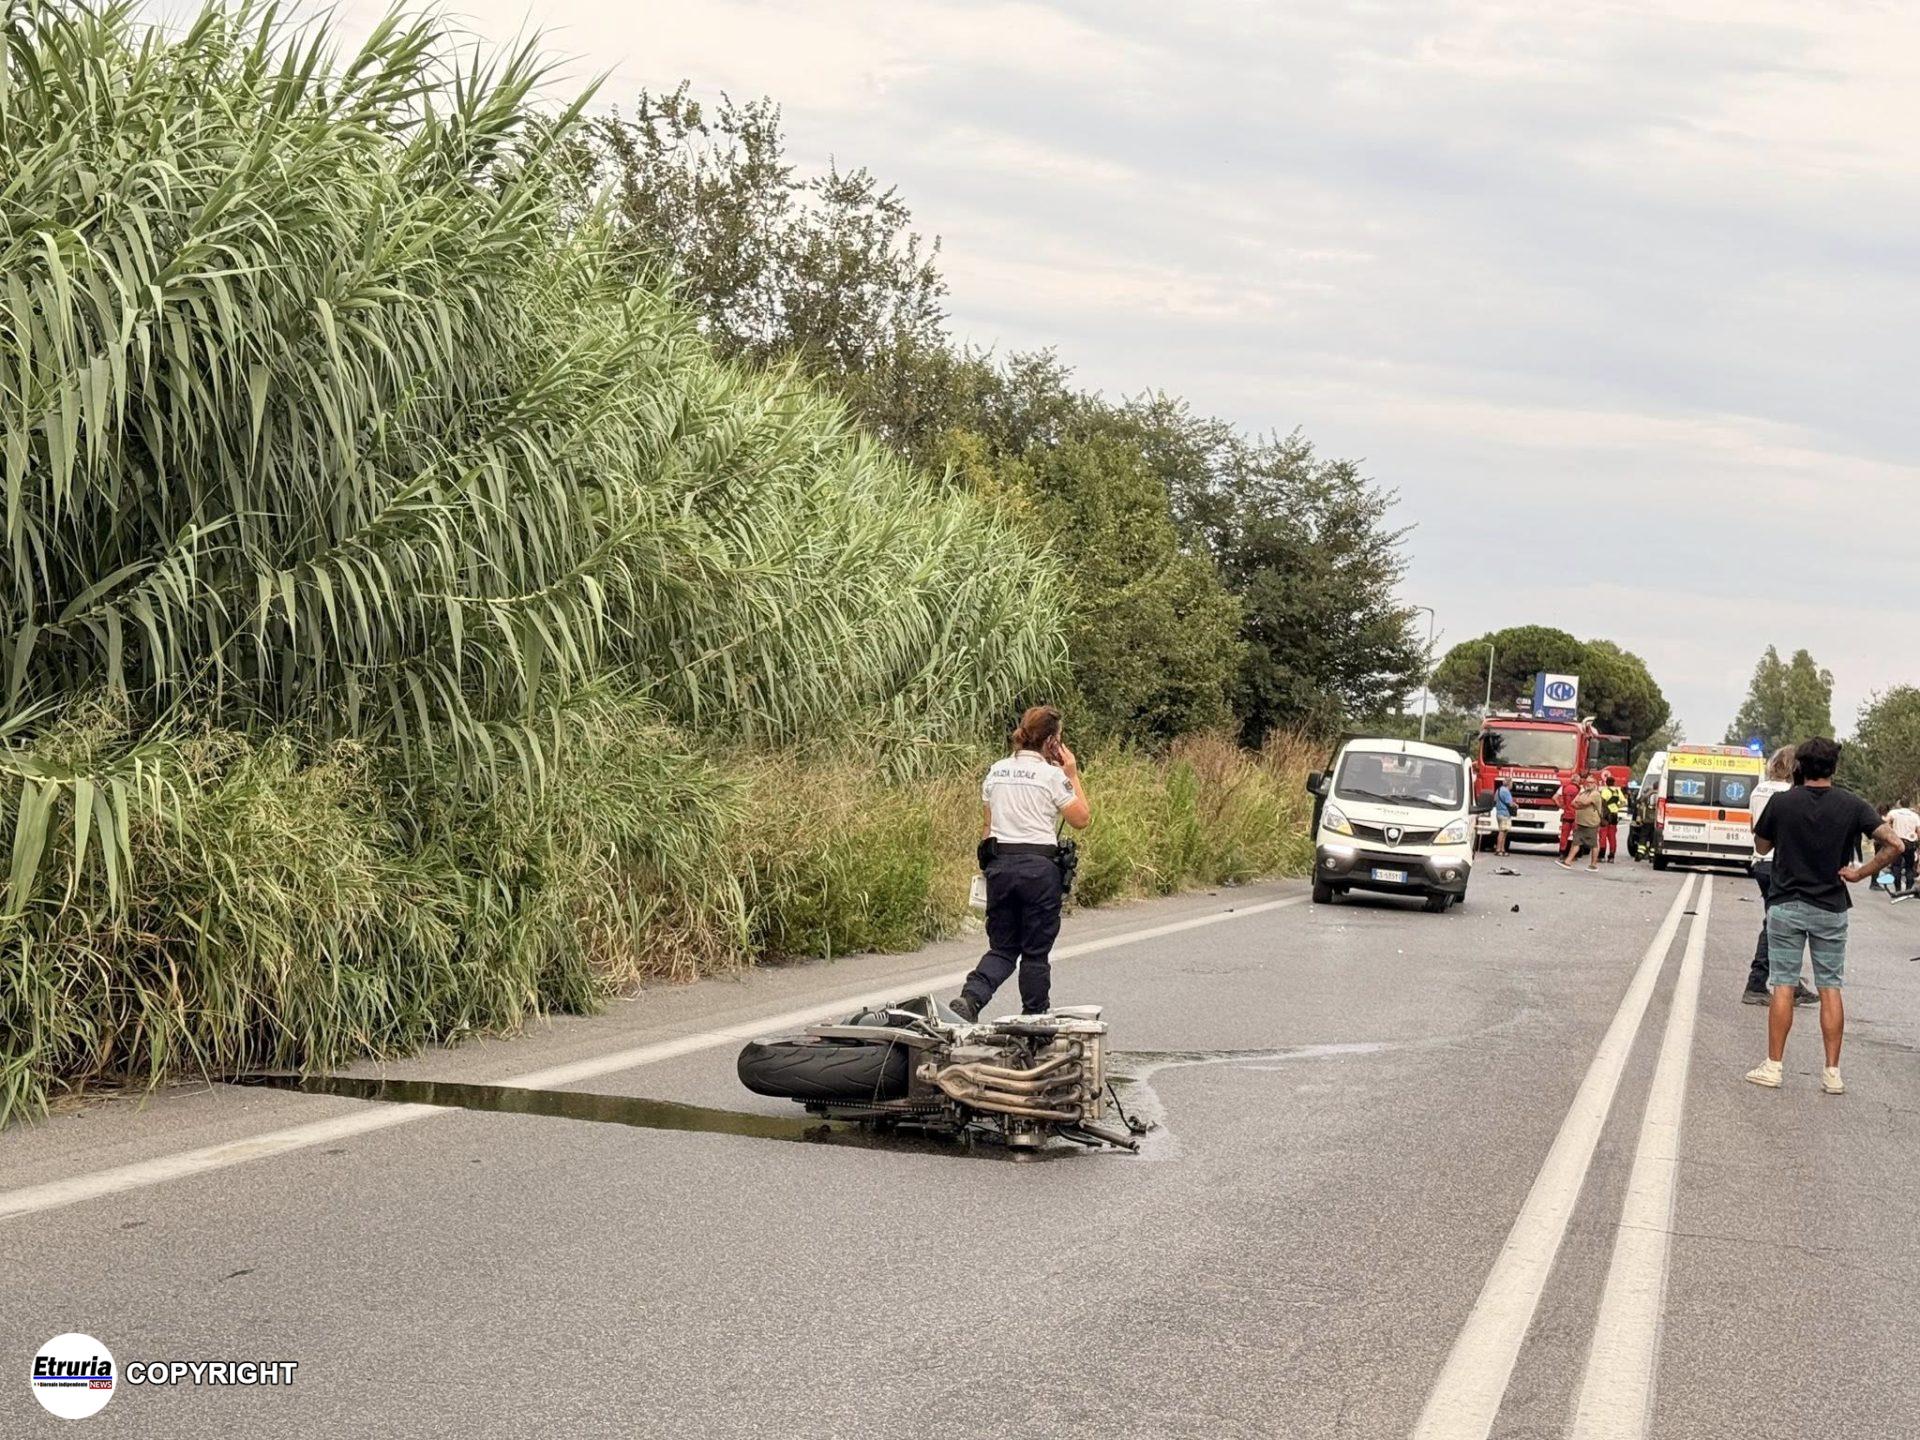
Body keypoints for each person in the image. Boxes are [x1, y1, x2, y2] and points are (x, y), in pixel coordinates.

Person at [1744, 737, 1903, 1095]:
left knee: (1783, 983)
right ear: (1834, 768)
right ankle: (1832, 1073)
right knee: (1830, 987)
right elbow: (1896, 844)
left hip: (1786, 903)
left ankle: (1774, 1066)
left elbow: (1761, 846)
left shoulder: (1782, 802)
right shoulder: (1852, 804)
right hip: (1831, 906)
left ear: (1799, 766)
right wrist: (1861, 873)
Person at [951, 705, 1092, 1021]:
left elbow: (988, 829)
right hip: (1039, 873)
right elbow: (1081, 818)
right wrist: (1071, 773)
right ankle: (1034, 1016)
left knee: (1002, 947)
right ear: (1053, 743)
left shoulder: (996, 771)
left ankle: (971, 999)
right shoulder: (1052, 775)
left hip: (1000, 866)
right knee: (1034, 952)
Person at [1741, 747, 1814, 1008]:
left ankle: (1790, 984)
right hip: (1780, 864)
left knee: (1779, 923)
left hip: (1760, 862)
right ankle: (1757, 983)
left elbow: (1754, 828)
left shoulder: (1758, 790)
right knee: (1778, 926)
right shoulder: (1788, 794)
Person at [1559, 772, 1606, 871]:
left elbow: (1584, 802)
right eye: (1587, 782)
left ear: (1595, 783)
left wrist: (1580, 803)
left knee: (1593, 844)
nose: (1589, 784)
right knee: (1575, 842)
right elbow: (1573, 803)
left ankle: (1593, 865)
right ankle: (1567, 862)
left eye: (1591, 782)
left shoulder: (1595, 794)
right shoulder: (1583, 792)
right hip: (1580, 822)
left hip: (1591, 823)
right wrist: (1581, 804)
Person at [1887, 796, 1919, 899]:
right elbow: (1918, 831)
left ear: (1899, 803)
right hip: (1910, 843)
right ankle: (1909, 890)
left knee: (1896, 866)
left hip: (1897, 842)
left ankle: (1898, 890)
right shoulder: (1915, 816)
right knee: (1909, 867)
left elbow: (1886, 824)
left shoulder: (1894, 813)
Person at [1597, 775, 1626, 862]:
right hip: (1614, 815)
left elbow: (1601, 803)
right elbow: (1624, 801)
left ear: (1606, 783)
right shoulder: (1618, 791)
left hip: (1605, 816)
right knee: (1612, 836)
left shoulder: (1604, 791)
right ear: (1614, 783)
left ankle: (1601, 856)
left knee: (1603, 835)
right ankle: (1611, 856)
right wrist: (1617, 806)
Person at [1556, 774, 1580, 858]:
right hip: (1576, 815)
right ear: (1577, 780)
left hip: (1566, 814)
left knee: (1564, 835)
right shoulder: (1579, 789)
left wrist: (1562, 806)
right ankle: (1574, 854)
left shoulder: (1564, 787)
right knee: (1576, 835)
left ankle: (1562, 853)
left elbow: (1554, 798)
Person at [1491, 778, 1517, 856]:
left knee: (1504, 831)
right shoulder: (1506, 792)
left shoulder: (1498, 790)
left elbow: (1495, 800)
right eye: (1512, 783)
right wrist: (1515, 805)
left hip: (1499, 813)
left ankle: (1502, 849)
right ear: (1509, 784)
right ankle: (1499, 849)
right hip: (1505, 814)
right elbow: (1510, 803)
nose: (1512, 785)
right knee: (1502, 832)